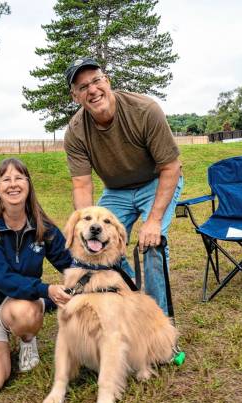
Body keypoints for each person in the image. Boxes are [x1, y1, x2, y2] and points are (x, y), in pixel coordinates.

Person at [64, 57, 183, 316]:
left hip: (156, 180)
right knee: (101, 244)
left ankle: (157, 319)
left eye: (96, 80)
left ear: (107, 81)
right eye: (83, 87)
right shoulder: (75, 131)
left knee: (153, 244)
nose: (92, 90)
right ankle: (132, 297)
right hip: (116, 190)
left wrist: (153, 221)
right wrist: (86, 226)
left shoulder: (144, 109)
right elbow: (82, 185)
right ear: (75, 97)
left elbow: (171, 167)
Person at [0, 158, 72, 391]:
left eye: (19, 177)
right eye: (6, 179)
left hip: (20, 305)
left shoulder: (43, 226)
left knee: (25, 312)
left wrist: (100, 271)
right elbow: (2, 277)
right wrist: (46, 290)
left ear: (28, 185)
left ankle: (27, 339)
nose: (13, 184)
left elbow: (69, 262)